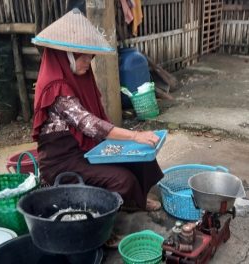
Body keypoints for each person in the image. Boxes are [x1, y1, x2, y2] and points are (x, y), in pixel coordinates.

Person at [31, 8, 164, 245]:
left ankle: (136, 201)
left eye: (90, 57)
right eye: (83, 56)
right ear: (67, 55)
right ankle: (101, 231)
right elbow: (89, 124)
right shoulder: (56, 86)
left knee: (142, 158)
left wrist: (132, 142)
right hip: (63, 161)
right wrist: (134, 136)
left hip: (86, 148)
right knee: (121, 179)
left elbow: (97, 121)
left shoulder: (80, 75)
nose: (88, 62)